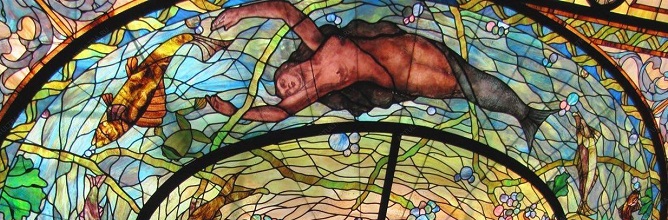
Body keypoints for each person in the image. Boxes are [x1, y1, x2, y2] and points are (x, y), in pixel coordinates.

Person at [207, 0, 554, 147]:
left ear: (287, 66)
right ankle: (524, 115)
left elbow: (285, 10)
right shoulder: (316, 89)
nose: (286, 88)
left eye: (281, 82)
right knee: (465, 86)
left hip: (404, 46)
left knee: (467, 71)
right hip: (402, 77)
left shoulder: (316, 42)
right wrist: (234, 111)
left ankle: (527, 111)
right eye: (285, 92)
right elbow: (277, 114)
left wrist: (242, 12)